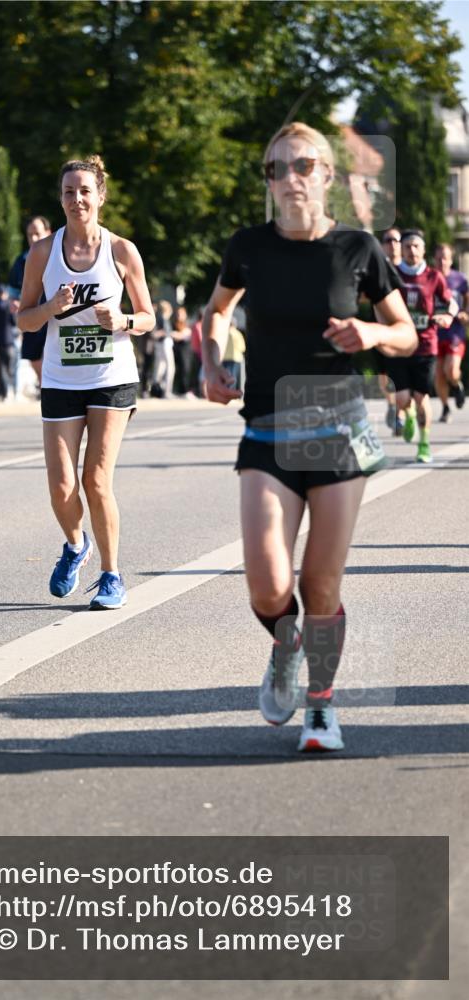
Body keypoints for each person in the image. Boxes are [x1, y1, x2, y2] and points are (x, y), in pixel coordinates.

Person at [202, 122, 417, 752]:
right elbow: (217, 310)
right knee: (268, 585)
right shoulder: (248, 247)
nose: (289, 178)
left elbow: (405, 332)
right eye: (277, 169)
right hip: (267, 424)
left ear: (326, 176)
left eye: (302, 166)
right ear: (268, 181)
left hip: (336, 428)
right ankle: (283, 647)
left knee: (321, 584)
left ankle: (320, 705)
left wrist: (372, 336)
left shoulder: (358, 249)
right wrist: (213, 362)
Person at [18, 154, 155, 609]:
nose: (76, 199)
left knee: (96, 480)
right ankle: (76, 545)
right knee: (61, 486)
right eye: (68, 192)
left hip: (111, 377)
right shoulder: (42, 252)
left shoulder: (121, 251)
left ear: (100, 196)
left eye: (84, 191)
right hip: (61, 378)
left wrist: (123, 318)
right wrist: (51, 308)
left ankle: (112, 576)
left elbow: (149, 317)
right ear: (60, 199)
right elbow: (24, 321)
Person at [388, 229, 456, 463]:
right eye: (407, 246)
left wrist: (446, 316)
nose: (412, 251)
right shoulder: (393, 274)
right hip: (399, 344)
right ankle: (406, 415)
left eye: (416, 246)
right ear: (401, 250)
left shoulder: (434, 276)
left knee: (421, 397)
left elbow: (450, 303)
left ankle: (424, 443)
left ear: (424, 250)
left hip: (426, 345)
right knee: (402, 399)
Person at [9, 216, 52, 391]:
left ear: (48, 233)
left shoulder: (60, 255)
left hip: (56, 316)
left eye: (37, 234)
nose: (33, 239)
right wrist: (14, 302)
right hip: (33, 315)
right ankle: (46, 386)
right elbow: (12, 290)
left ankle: (52, 387)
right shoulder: (21, 261)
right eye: (29, 235)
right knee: (33, 356)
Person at [433, 243, 467, 421]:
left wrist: (465, 313)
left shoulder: (460, 279)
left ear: (451, 259)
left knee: (451, 370)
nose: (442, 261)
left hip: (454, 333)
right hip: (435, 333)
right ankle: (445, 407)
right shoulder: (429, 277)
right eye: (438, 258)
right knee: (438, 374)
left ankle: (457, 384)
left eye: (445, 258)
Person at [378, 228, 403, 432]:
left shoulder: (409, 268)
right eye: (388, 240)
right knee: (384, 374)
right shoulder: (376, 265)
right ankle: (392, 404)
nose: (392, 244)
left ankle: (401, 412)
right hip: (379, 326)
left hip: (403, 329)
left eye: (396, 240)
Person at [151, 300, 175, 398]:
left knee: (160, 367)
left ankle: (156, 390)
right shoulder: (162, 319)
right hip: (165, 343)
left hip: (161, 344)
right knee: (170, 367)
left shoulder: (160, 318)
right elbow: (159, 333)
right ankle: (167, 391)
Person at [172, 305, 195, 397]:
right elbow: (175, 335)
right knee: (179, 370)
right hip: (178, 350)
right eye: (178, 314)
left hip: (186, 350)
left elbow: (185, 335)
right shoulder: (174, 324)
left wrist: (179, 335)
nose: (179, 315)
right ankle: (181, 390)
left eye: (181, 313)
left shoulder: (187, 323)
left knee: (186, 369)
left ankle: (186, 390)